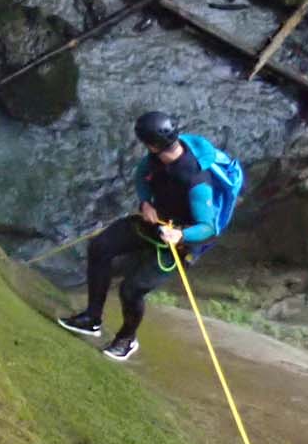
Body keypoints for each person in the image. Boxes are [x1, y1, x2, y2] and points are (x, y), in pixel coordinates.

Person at [57, 111, 220, 361]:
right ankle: (92, 318)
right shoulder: (155, 157)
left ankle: (126, 339)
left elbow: (208, 226)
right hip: (153, 222)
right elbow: (141, 177)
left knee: (132, 289)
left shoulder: (196, 179)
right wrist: (145, 203)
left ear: (153, 143)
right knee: (100, 247)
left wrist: (179, 234)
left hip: (179, 242)